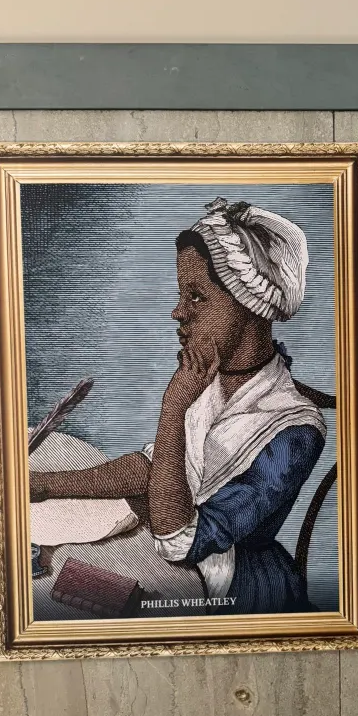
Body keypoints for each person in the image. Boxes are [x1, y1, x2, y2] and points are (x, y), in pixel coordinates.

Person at [30, 197, 327, 614]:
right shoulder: (211, 380)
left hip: (233, 588)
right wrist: (45, 486)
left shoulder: (295, 430)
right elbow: (156, 470)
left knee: (62, 582)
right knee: (51, 556)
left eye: (197, 297)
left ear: (250, 308)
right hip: (173, 556)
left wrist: (173, 408)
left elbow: (178, 539)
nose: (177, 312)